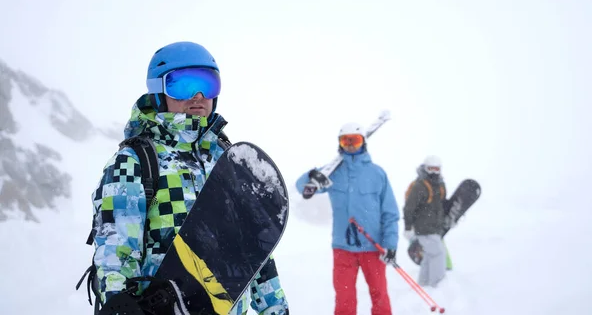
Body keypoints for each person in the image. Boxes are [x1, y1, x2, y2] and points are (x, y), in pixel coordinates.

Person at [90, 41, 289, 315]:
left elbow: (252, 248)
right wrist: (118, 303)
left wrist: (275, 307)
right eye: (182, 85)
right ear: (159, 91)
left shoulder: (226, 160)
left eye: (207, 84)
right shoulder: (136, 161)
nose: (197, 95)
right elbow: (116, 250)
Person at [296, 122, 399, 315]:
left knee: (380, 296)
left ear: (363, 143)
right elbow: (301, 187)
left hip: (373, 248)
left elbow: (390, 213)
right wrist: (312, 175)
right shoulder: (333, 172)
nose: (351, 145)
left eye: (355, 140)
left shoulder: (377, 174)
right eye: (346, 141)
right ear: (340, 144)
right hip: (343, 248)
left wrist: (390, 244)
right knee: (344, 300)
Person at [403, 155, 448, 287]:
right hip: (423, 228)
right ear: (425, 168)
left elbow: (441, 205)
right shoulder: (420, 186)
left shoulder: (440, 185)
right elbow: (409, 208)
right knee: (438, 253)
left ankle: (424, 284)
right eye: (431, 169)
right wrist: (408, 227)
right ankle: (438, 284)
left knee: (428, 256)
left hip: (435, 227)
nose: (434, 172)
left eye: (436, 169)